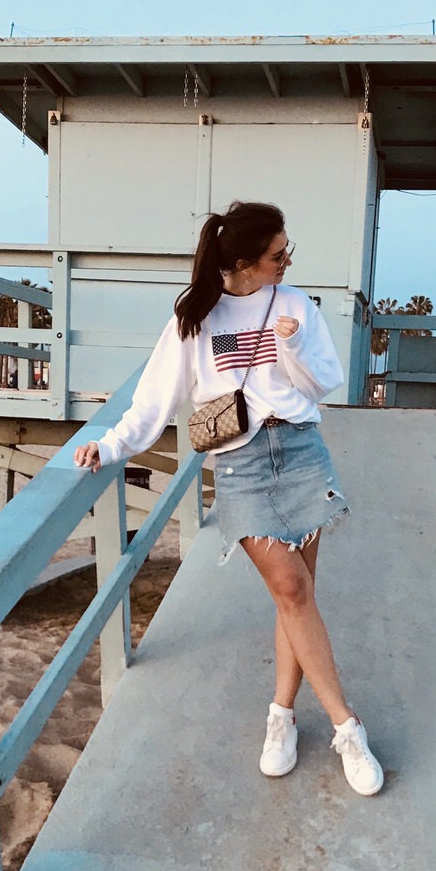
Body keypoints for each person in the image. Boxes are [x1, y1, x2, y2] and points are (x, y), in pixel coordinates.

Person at [74, 200, 383, 797]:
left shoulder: (294, 304)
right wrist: (109, 445)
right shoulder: (194, 320)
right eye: (277, 255)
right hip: (240, 465)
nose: (286, 262)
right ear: (243, 262)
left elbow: (326, 383)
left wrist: (289, 346)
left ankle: (281, 718)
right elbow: (153, 401)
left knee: (297, 597)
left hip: (300, 451)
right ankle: (348, 727)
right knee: (290, 589)